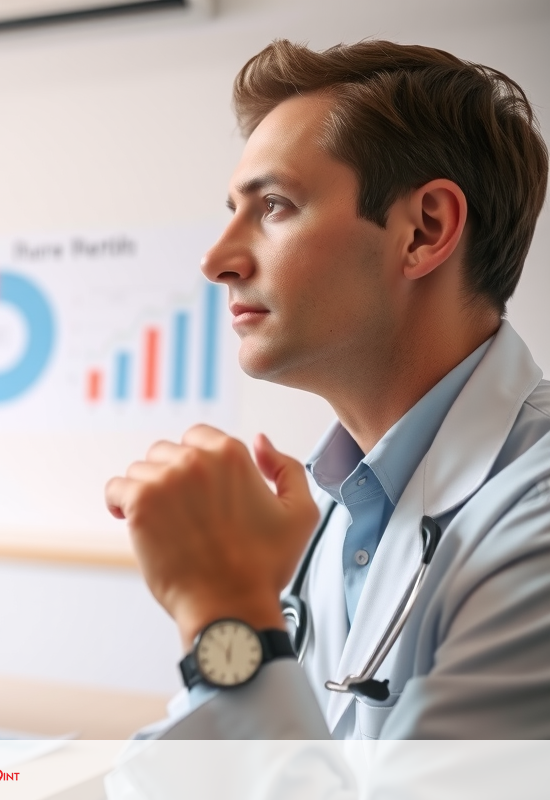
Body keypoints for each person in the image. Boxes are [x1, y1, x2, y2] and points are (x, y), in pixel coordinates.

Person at [103, 37, 550, 753]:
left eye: (273, 205)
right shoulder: (334, 513)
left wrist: (229, 617)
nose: (218, 260)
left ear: (424, 231)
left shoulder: (535, 521)